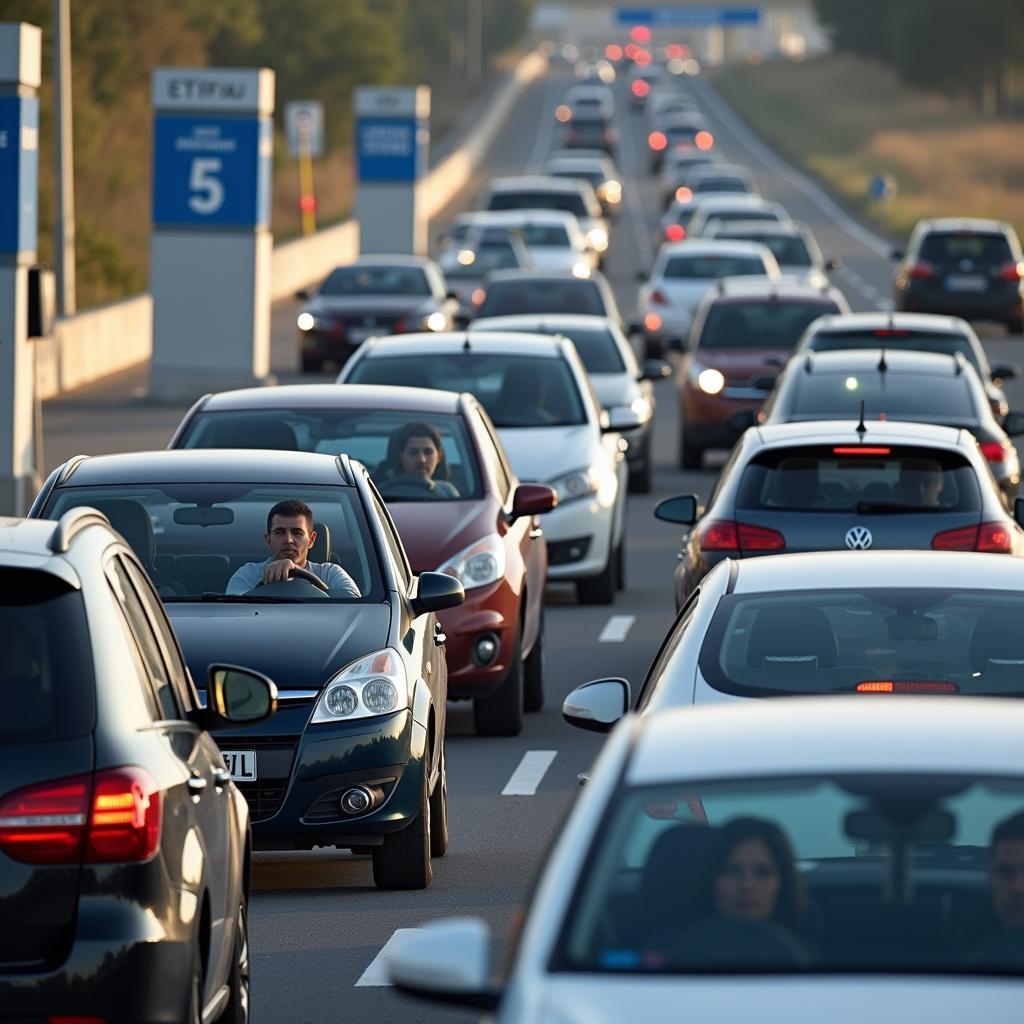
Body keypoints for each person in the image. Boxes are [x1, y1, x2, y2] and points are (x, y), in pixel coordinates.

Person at [225, 499, 360, 596]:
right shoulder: (248, 575)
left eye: (297, 533)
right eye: (280, 532)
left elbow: (356, 606)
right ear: (268, 540)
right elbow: (233, 614)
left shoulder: (331, 574)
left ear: (311, 540)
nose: (288, 540)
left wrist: (295, 570)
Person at [375, 421, 460, 498]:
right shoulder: (378, 495)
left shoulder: (449, 494)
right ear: (400, 457)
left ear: (439, 457)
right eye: (413, 453)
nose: (422, 460)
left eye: (428, 452)